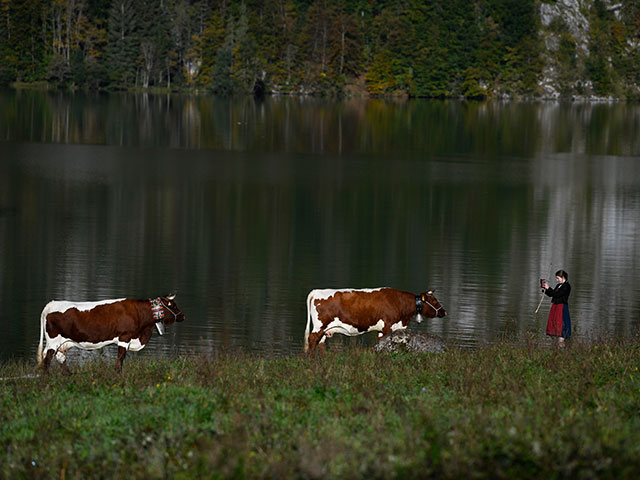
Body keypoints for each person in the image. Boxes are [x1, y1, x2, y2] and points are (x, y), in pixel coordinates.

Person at [542, 270, 571, 345]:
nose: (557, 280)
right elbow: (552, 294)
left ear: (563, 277)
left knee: (562, 323)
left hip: (562, 307)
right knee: (555, 322)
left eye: (558, 278)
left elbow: (557, 294)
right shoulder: (559, 285)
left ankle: (562, 340)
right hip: (555, 306)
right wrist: (545, 289)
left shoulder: (567, 286)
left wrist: (549, 288)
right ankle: (557, 343)